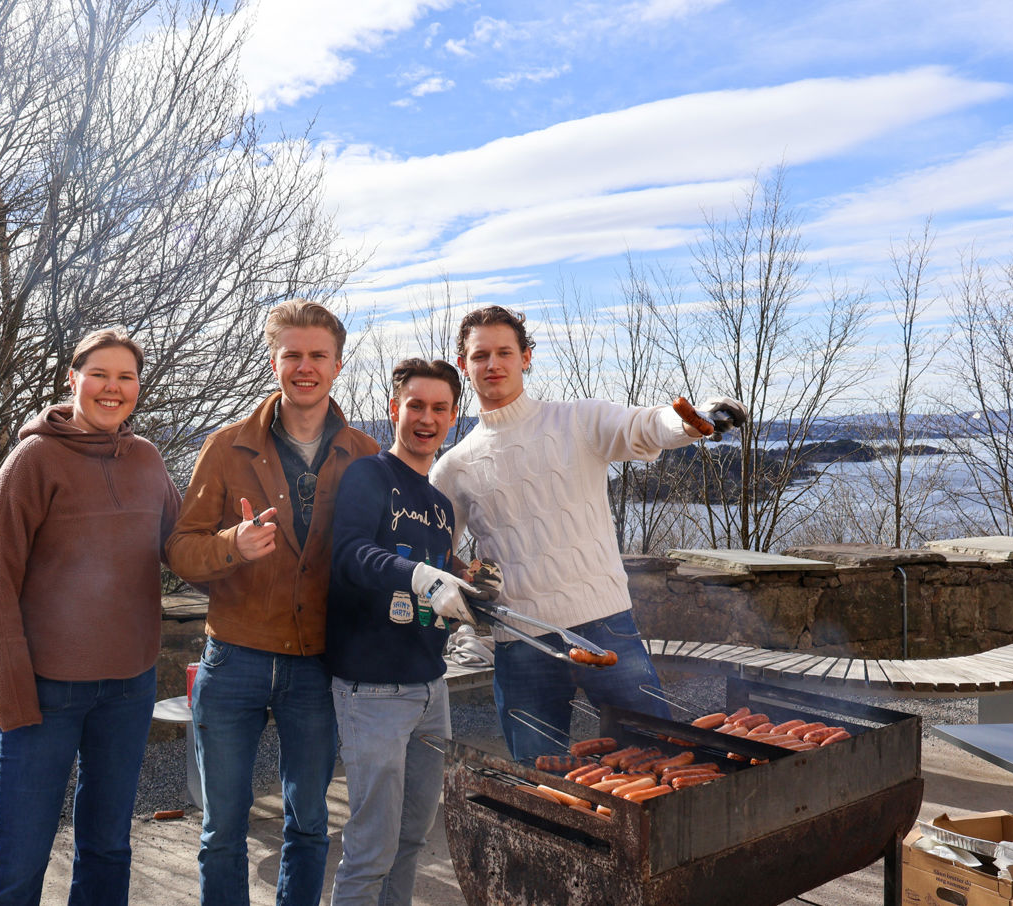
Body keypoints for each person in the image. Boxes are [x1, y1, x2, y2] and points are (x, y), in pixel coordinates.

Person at [429, 306, 746, 763]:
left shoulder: (576, 420)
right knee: (540, 775)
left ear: (526, 357)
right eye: (481, 355)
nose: (492, 364)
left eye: (504, 352)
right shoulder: (454, 467)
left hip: (606, 623)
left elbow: (644, 425)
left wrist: (693, 418)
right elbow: (435, 551)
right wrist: (463, 588)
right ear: (464, 364)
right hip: (522, 640)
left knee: (657, 755)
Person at [166, 300, 379, 906]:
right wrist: (232, 545)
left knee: (309, 825)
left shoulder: (365, 456)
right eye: (293, 355)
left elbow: (381, 559)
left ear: (338, 365)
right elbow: (180, 550)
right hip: (233, 661)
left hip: (319, 665)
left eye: (317, 356)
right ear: (274, 360)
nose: (304, 367)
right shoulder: (227, 447)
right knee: (221, 831)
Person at [0, 328, 183, 905]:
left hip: (129, 686)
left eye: (127, 377)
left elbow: (180, 544)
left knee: (108, 846)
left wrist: (238, 543)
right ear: (73, 379)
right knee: (19, 855)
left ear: (139, 387)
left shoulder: (147, 459)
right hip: (45, 691)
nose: (114, 388)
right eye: (101, 375)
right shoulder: (34, 458)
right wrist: (12, 690)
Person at [324, 358, 479, 906]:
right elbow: (351, 556)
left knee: (413, 836)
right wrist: (419, 575)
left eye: (440, 408)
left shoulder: (438, 503)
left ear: (455, 417)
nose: (426, 418)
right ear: (395, 409)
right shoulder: (369, 474)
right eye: (416, 405)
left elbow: (435, 575)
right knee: (371, 847)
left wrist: (462, 579)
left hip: (430, 688)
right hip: (372, 690)